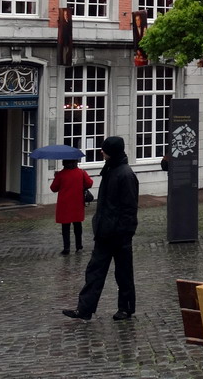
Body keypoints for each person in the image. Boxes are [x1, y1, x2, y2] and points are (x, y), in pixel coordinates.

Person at [63, 136, 138, 321]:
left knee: (123, 273)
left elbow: (129, 208)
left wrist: (123, 231)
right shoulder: (111, 170)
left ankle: (126, 308)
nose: (101, 152)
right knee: (94, 271)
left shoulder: (125, 174)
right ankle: (85, 309)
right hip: (105, 231)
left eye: (104, 149)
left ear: (111, 152)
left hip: (119, 234)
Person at [50, 159, 93, 255]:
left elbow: (53, 188)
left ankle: (67, 248)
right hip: (77, 203)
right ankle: (79, 246)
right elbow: (89, 183)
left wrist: (56, 177)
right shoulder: (81, 172)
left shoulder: (61, 174)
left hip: (64, 204)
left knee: (65, 227)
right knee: (78, 225)